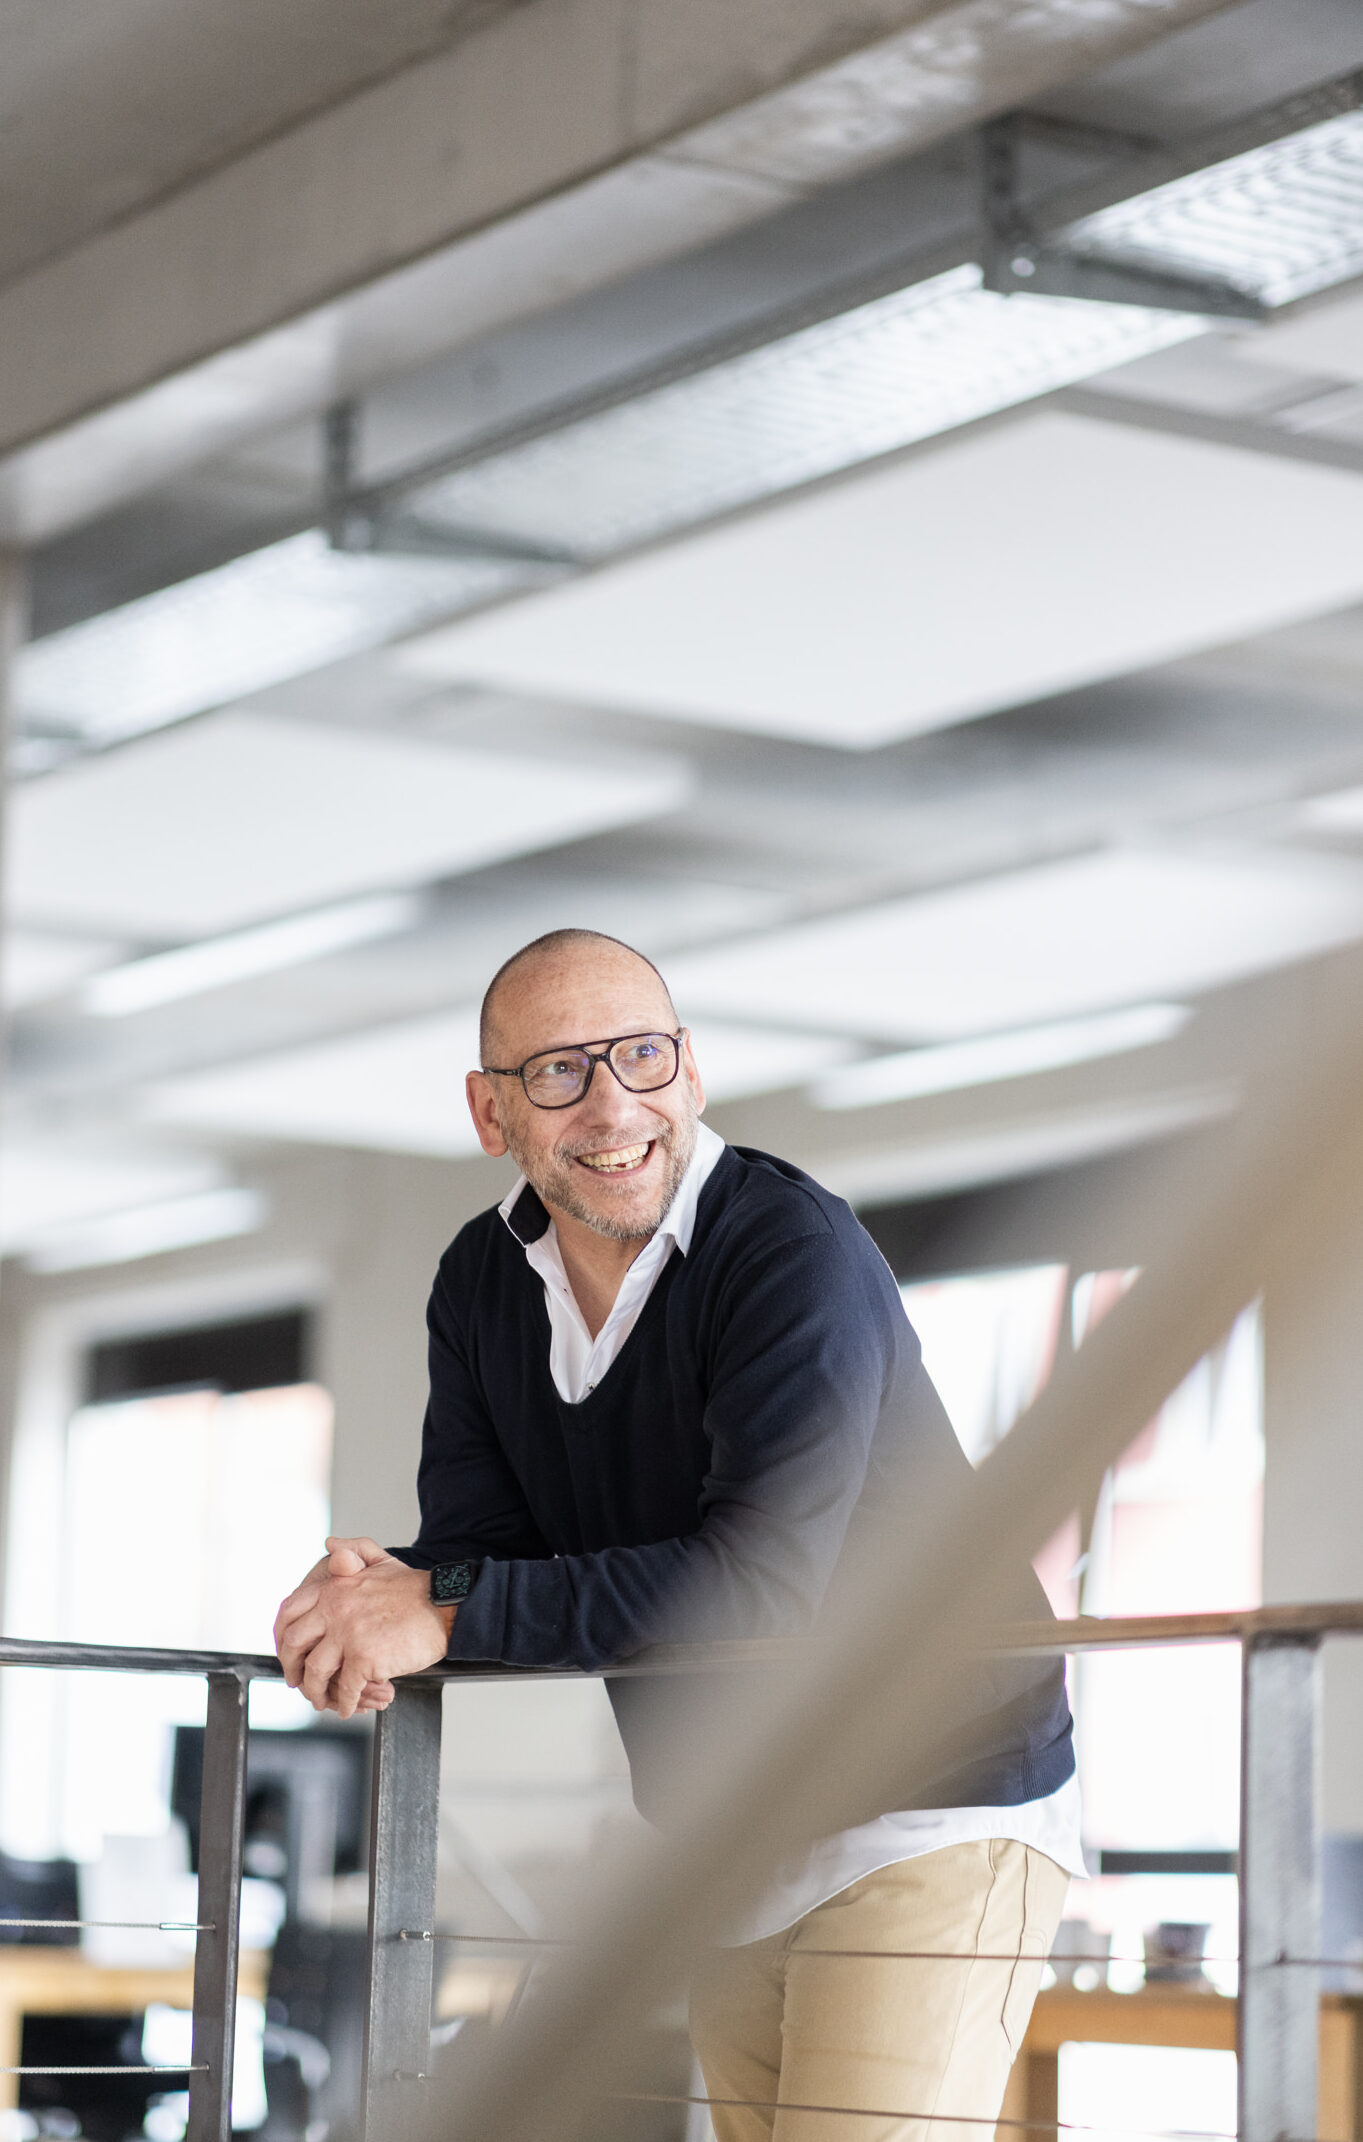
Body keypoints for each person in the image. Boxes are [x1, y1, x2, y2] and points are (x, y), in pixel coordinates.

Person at [273, 927, 1083, 2141]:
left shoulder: (787, 1252)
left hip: (934, 1794)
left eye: (641, 1057)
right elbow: (489, 1551)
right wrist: (384, 1596)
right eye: (557, 1071)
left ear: (691, 1073)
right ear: (490, 1112)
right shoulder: (481, 1284)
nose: (612, 1106)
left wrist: (436, 1602)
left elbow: (760, 1590)